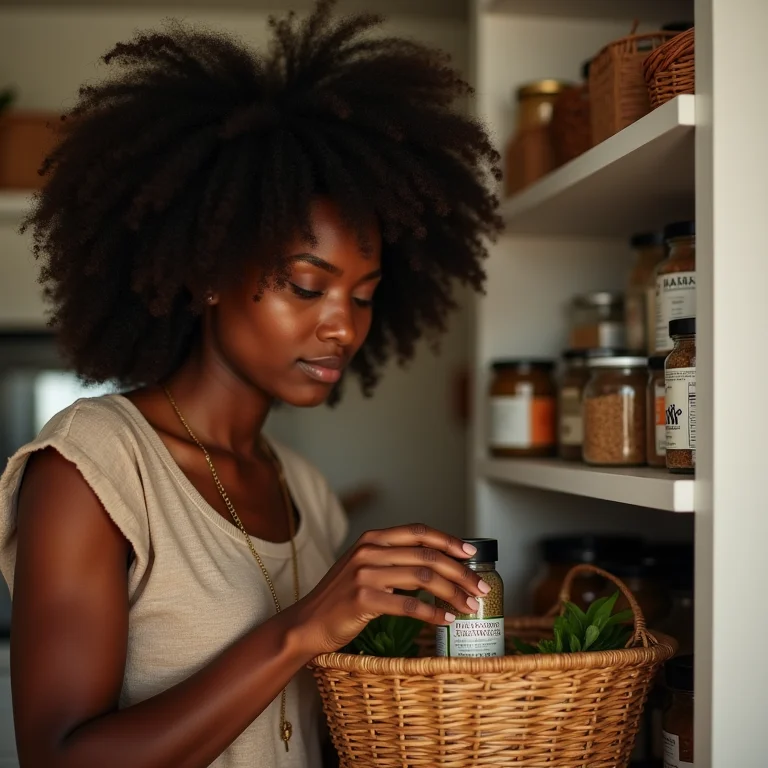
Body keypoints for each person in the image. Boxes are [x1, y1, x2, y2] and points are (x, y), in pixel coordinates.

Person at [0, 1, 501, 766]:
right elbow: (59, 759)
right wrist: (302, 627)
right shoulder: (92, 469)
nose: (343, 327)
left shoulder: (305, 490)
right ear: (206, 273)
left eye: (363, 296)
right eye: (307, 286)